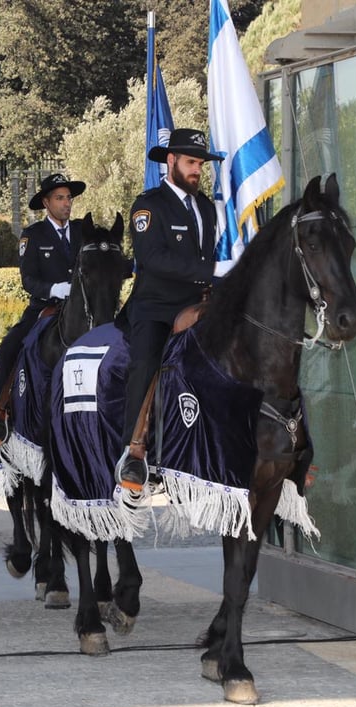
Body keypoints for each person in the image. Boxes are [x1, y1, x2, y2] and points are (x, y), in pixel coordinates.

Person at [115, 129, 223, 491]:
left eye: (201, 164)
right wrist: (210, 271)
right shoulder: (149, 205)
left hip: (201, 307)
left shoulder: (206, 207)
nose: (197, 170)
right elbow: (152, 258)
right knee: (146, 362)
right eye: (191, 162)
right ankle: (133, 451)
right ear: (172, 161)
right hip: (157, 307)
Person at [0, 172, 85, 445]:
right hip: (45, 308)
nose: (66, 204)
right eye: (60, 198)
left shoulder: (84, 232)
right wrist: (55, 289)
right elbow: (28, 280)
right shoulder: (33, 235)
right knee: (6, 351)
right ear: (46, 203)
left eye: (69, 198)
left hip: (83, 310)